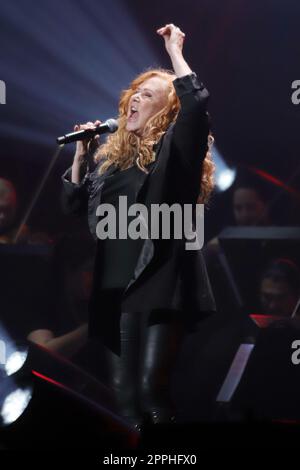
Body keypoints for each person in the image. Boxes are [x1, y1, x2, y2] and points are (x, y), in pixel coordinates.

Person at [61, 24, 216, 430]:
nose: (133, 100)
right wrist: (82, 155)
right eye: (133, 93)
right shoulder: (114, 164)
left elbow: (195, 108)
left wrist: (176, 53)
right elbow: (76, 207)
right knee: (122, 393)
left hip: (162, 282)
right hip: (117, 285)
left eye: (146, 95)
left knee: (151, 389)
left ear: (166, 110)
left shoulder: (176, 152)